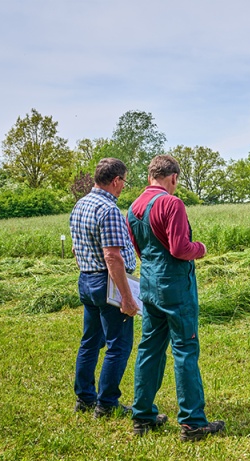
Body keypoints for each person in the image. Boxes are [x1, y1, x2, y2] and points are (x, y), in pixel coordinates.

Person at [127, 154, 224, 440]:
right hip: (175, 286)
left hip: (149, 284)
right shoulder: (172, 203)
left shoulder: (133, 207)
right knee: (185, 349)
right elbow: (180, 248)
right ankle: (193, 422)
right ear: (173, 178)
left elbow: (139, 249)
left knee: (150, 348)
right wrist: (201, 248)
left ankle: (142, 416)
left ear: (149, 177)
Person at [69, 157, 139, 418]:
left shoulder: (81, 204)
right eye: (123, 182)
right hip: (107, 282)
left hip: (86, 279)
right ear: (116, 180)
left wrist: (88, 267)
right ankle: (107, 403)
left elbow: (77, 248)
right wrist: (127, 297)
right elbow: (113, 257)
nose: (123, 187)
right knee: (118, 345)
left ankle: (85, 398)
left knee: (89, 341)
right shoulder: (108, 210)